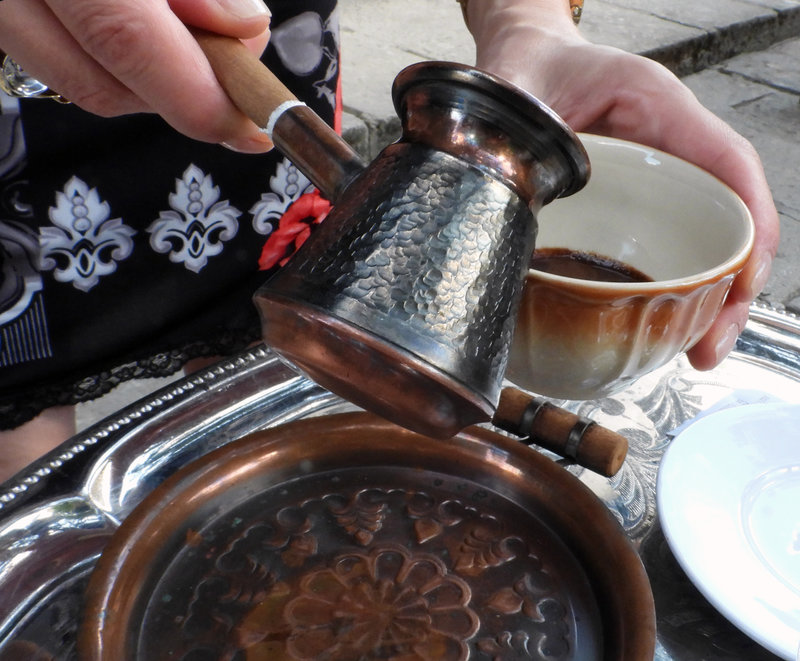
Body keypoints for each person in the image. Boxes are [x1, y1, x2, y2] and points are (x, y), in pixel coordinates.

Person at [0, 0, 779, 483]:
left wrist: (528, 23)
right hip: (20, 140)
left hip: (267, 96)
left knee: (256, 409)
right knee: (29, 470)